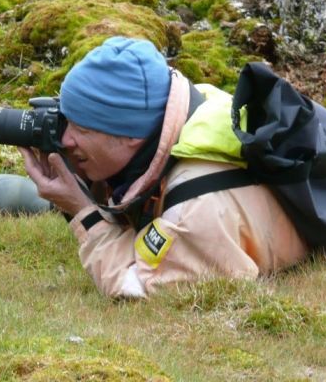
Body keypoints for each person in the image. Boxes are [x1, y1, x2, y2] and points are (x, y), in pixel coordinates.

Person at [18, 36, 307, 298]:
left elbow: (144, 292)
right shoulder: (181, 105)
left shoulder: (191, 210)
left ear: (131, 135)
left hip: (206, 215)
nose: (66, 139)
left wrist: (82, 212)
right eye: (66, 122)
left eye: (81, 129)